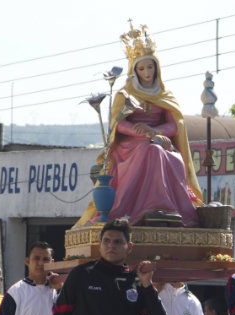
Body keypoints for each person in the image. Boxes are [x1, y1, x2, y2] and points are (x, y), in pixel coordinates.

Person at [84, 23, 201, 227]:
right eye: (141, 68)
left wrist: (156, 132)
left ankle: (174, 208)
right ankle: (154, 206)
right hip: (131, 144)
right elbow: (117, 125)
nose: (147, 72)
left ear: (156, 67)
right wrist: (141, 132)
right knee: (152, 151)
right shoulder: (124, 94)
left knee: (172, 157)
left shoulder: (165, 94)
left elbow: (175, 125)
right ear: (134, 70)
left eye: (150, 67)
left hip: (159, 139)